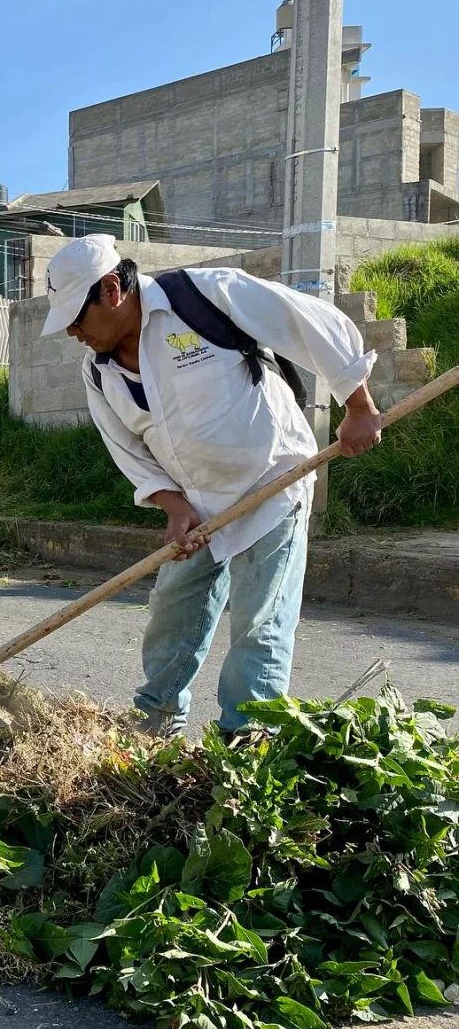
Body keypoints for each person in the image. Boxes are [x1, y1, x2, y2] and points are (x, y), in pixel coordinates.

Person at [41, 233, 383, 737]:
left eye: (76, 317)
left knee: (258, 624)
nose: (72, 332)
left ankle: (245, 746)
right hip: (199, 507)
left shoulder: (204, 296)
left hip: (272, 482)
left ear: (112, 290)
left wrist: (358, 406)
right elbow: (126, 448)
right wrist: (172, 504)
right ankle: (153, 725)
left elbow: (308, 321)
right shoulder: (99, 372)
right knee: (171, 615)